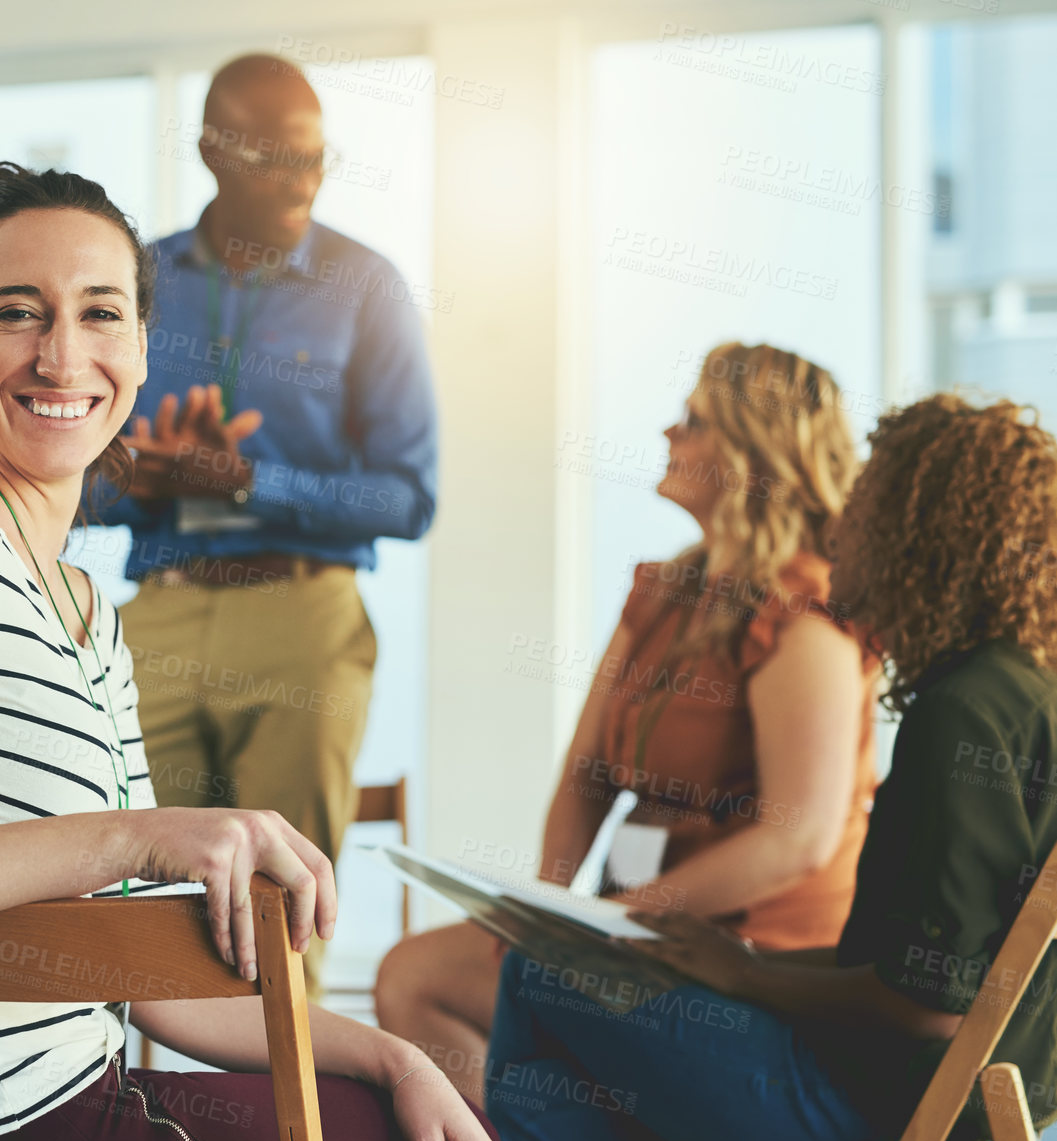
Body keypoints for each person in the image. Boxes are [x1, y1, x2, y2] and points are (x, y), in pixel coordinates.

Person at [0, 163, 494, 1141]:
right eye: (16, 313)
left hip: (97, 1098)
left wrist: (396, 1052)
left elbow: (141, 975)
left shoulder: (86, 607)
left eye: (99, 314)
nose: (61, 355)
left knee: (416, 1109)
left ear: (139, 346)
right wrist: (133, 837)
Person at [483, 392, 1057, 1141]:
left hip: (887, 1104)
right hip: (975, 1097)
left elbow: (929, 1003)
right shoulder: (1019, 691)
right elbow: (924, 969)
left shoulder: (958, 713)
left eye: (863, 503)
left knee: (540, 974)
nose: (838, 526)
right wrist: (728, 961)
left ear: (920, 535)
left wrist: (744, 976)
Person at [376, 343, 879, 1101]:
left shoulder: (805, 615)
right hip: (635, 932)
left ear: (751, 453)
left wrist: (613, 919)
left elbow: (796, 837)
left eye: (694, 422)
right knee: (416, 973)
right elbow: (585, 775)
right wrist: (536, 915)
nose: (667, 434)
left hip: (748, 953)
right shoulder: (664, 590)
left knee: (427, 978)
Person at [85, 54, 437, 999]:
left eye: (316, 157)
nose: (302, 179)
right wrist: (135, 474)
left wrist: (251, 479)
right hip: (155, 615)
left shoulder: (369, 285)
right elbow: (70, 489)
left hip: (301, 616)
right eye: (274, 157)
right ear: (210, 151)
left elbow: (409, 496)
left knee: (281, 905)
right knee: (133, 897)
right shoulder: (138, 278)